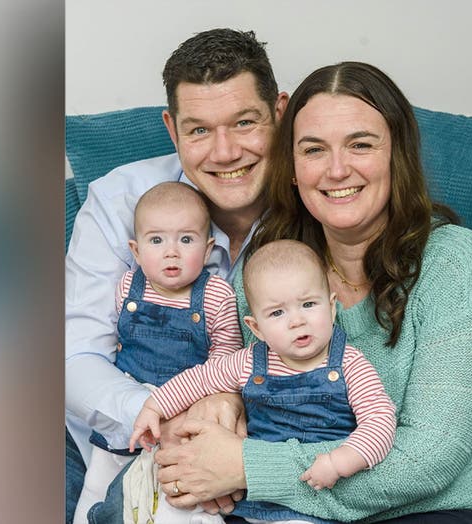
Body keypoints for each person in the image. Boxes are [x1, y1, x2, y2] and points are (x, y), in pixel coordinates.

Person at [146, 62, 472, 523]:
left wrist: (244, 467)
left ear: (396, 155)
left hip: (443, 510)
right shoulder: (274, 266)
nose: (337, 170)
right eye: (314, 150)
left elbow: (428, 461)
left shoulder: (461, 262)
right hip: (294, 510)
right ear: (294, 168)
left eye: (360, 144)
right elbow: (244, 387)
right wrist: (221, 411)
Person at [65, 28, 288, 523]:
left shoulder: (320, 195)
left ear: (280, 113)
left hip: (249, 447)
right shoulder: (120, 200)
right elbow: (76, 354)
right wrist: (165, 415)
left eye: (244, 122)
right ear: (172, 128)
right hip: (116, 439)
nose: (225, 152)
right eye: (199, 130)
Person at [130, 240, 396, 524]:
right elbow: (199, 379)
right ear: (256, 328)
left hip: (310, 503)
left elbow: (380, 422)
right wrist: (154, 407)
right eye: (277, 313)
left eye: (308, 304)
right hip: (245, 495)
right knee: (175, 509)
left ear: (331, 308)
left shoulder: (350, 364)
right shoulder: (249, 362)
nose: (297, 321)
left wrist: (340, 461)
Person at [75, 181, 245, 523]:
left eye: (186, 239)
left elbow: (225, 360)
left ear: (208, 247)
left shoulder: (216, 296)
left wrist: (200, 411)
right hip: (129, 414)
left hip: (186, 409)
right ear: (136, 252)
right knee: (99, 484)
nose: (172, 252)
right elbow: (106, 346)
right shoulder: (128, 286)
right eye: (157, 240)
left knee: (179, 500)